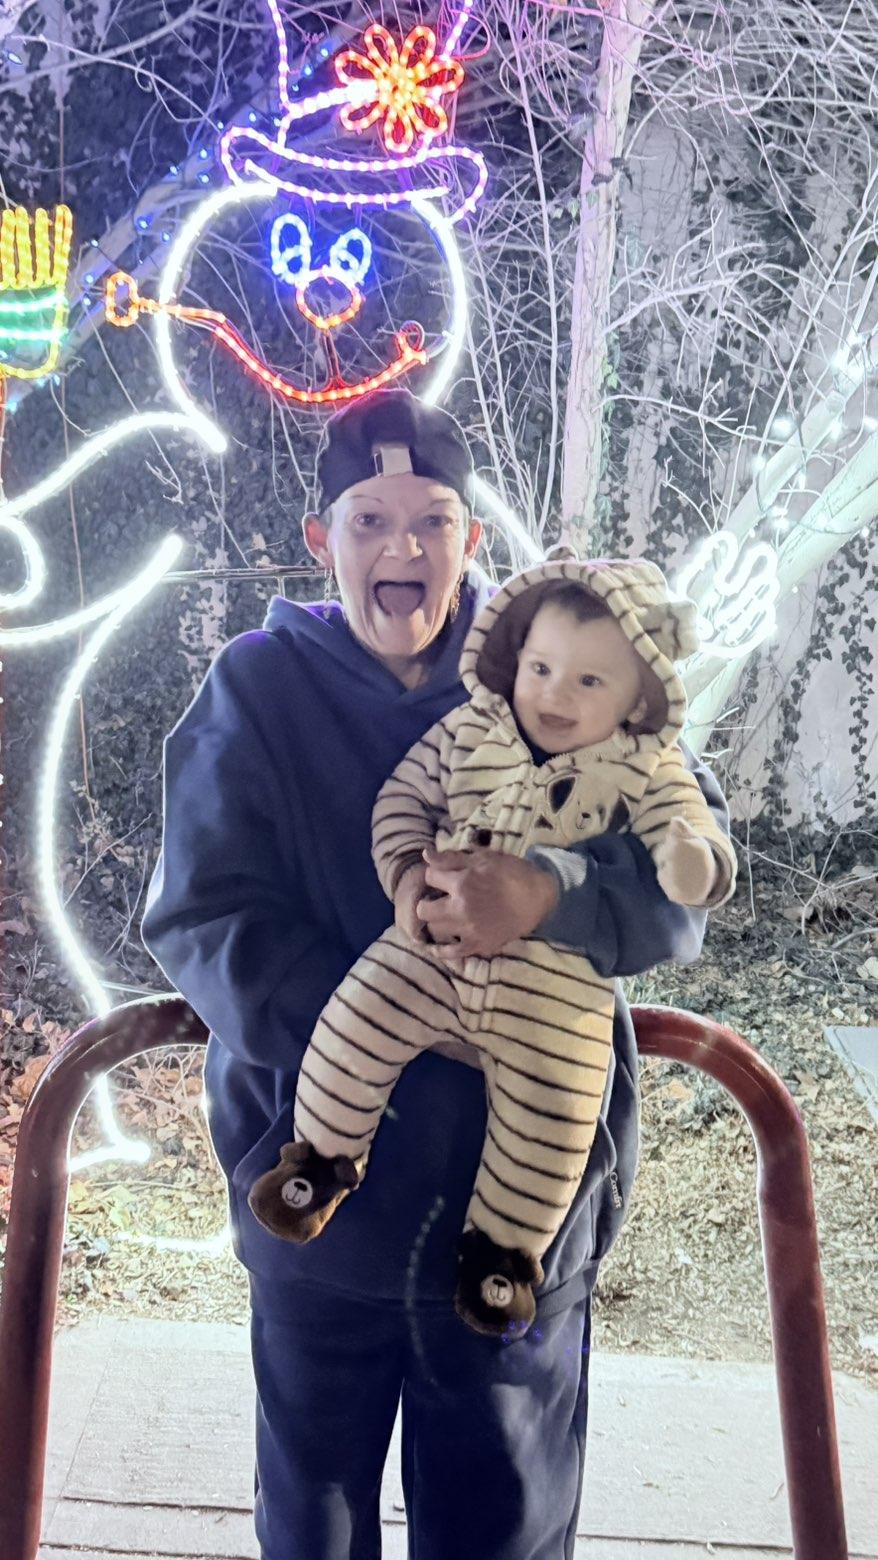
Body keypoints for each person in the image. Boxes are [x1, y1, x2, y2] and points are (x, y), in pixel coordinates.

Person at [142, 388, 732, 1560]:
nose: (401, 549)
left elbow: (685, 875)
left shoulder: (567, 667)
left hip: (518, 1230)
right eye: (369, 520)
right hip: (323, 1232)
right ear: (322, 539)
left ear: (471, 537)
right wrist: (390, 1024)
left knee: (501, 1533)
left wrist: (550, 894)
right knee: (312, 1531)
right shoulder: (255, 690)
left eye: (431, 521)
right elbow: (202, 916)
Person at [248, 562, 737, 1341]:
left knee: (554, 1112)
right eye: (539, 668)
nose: (553, 694)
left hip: (556, 991)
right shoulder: (471, 727)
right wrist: (406, 877)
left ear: (640, 696)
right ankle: (317, 1163)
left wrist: (689, 862)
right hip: (432, 947)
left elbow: (691, 849)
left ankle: (502, 1259)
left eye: (588, 681)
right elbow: (403, 799)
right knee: (358, 1015)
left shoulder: (648, 764)